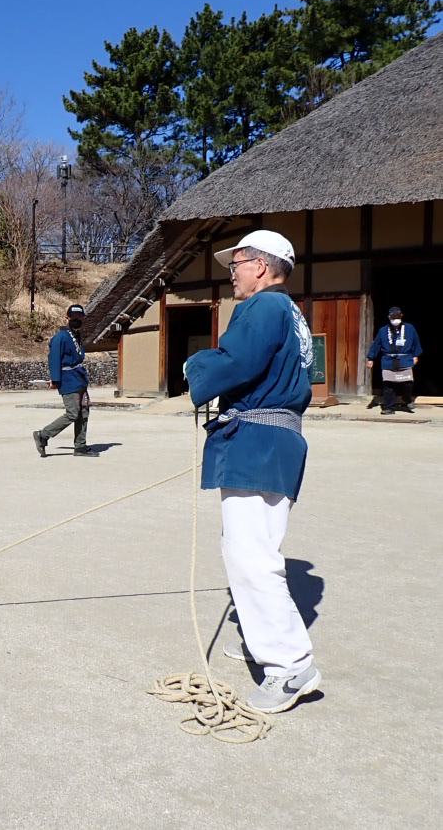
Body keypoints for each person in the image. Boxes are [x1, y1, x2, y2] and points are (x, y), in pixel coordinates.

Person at [185, 229, 320, 715]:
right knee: (252, 547)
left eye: (236, 264)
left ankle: (289, 664)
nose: (232, 274)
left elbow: (237, 360)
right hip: (274, 438)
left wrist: (194, 366)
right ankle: (265, 643)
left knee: (250, 554)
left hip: (258, 441)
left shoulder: (264, 306)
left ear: (260, 266)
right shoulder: (291, 312)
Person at [32, 304, 97, 457]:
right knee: (73, 413)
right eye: (74, 317)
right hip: (68, 379)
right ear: (67, 318)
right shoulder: (61, 336)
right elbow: (54, 358)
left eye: (80, 317)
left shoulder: (76, 335)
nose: (77, 320)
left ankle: (80, 446)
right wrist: (55, 380)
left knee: (84, 412)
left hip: (79, 378)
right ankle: (43, 435)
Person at [366, 306, 423, 415]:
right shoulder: (383, 330)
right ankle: (388, 407)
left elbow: (416, 342)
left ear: (401, 316)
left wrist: (416, 355)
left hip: (405, 358)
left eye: (397, 317)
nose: (395, 319)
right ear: (389, 317)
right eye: (393, 317)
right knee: (388, 386)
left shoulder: (410, 328)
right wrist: (371, 358)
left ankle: (406, 398)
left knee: (408, 383)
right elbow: (376, 345)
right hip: (388, 360)